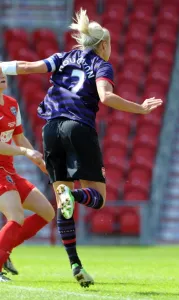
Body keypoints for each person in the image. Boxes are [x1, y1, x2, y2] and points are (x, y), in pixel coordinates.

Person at [0, 8, 162, 287]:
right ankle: (74, 200)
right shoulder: (101, 64)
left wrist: (2, 66)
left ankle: (75, 263)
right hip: (78, 128)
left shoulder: (63, 58)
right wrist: (141, 109)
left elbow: (26, 67)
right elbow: (106, 97)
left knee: (61, 201)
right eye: (109, 44)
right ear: (102, 45)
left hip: (50, 129)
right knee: (97, 198)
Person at [0, 68, 55, 282]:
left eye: (2, 73)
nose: (2, 76)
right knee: (16, 217)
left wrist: (38, 160)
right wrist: (24, 152)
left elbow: (20, 138)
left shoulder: (12, 104)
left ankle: (3, 251)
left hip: (9, 170)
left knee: (47, 212)